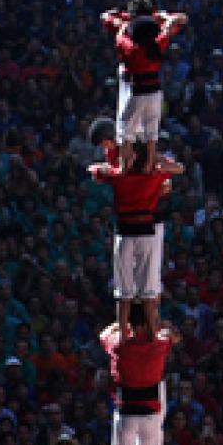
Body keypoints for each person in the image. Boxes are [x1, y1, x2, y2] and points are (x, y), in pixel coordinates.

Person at [88, 140, 183, 335]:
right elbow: (178, 168)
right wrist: (157, 161)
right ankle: (153, 330)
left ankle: (123, 333)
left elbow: (94, 172)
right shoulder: (155, 174)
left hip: (126, 233)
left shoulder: (119, 176)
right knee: (147, 290)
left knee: (124, 291)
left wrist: (106, 167)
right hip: (146, 233)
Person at [100, 301, 176, 445]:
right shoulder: (159, 343)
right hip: (150, 412)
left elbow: (103, 334)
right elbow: (173, 335)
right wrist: (158, 325)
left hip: (126, 412)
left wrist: (119, 325)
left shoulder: (118, 344)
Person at [100, 0, 187, 144]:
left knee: (127, 118)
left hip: (134, 72)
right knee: (141, 120)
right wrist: (167, 19)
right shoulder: (154, 21)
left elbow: (105, 17)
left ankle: (130, 147)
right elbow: (179, 21)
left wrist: (115, 16)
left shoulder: (127, 20)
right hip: (141, 73)